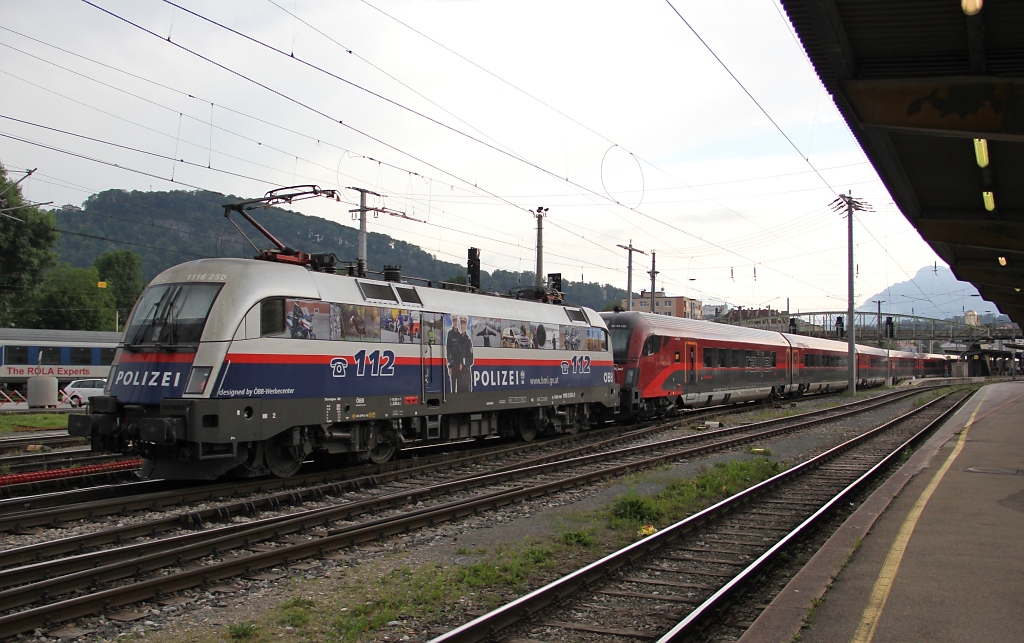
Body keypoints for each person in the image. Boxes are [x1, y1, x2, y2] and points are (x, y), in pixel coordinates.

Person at [446, 314, 474, 392]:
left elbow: (471, 359)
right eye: (461, 324)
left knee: (465, 393)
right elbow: (452, 352)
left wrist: (462, 363)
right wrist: (450, 366)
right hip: (458, 370)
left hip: (465, 372)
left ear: (466, 326)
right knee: (457, 390)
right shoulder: (458, 338)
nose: (462, 326)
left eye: (464, 324)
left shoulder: (468, 340)